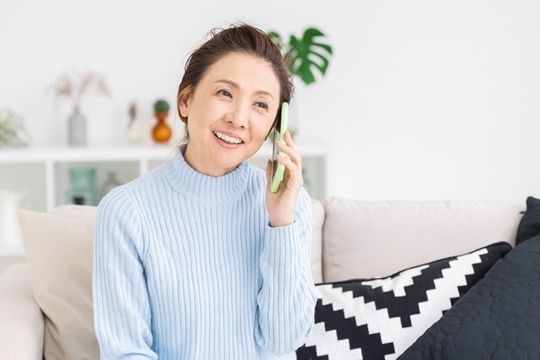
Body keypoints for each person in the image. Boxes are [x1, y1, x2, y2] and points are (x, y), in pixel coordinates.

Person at [93, 22, 317, 359]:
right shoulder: (126, 211)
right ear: (185, 101)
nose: (239, 118)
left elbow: (284, 342)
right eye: (225, 93)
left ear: (276, 124)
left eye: (261, 105)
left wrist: (281, 223)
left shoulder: (290, 209)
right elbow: (126, 351)